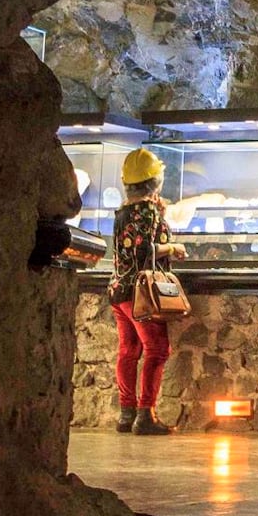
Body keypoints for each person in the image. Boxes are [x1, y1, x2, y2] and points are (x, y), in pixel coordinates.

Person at [109, 147, 184, 435]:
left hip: (118, 290)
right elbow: (145, 251)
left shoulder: (124, 210)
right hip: (142, 294)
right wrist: (174, 247)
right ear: (156, 181)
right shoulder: (148, 210)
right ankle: (146, 415)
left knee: (128, 350)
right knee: (157, 349)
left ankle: (126, 414)